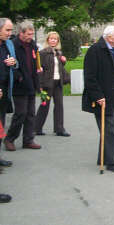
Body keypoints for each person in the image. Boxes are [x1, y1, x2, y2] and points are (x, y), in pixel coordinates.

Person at [82, 25, 114, 173]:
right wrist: (98, 96)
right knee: (109, 128)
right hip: (102, 98)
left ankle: (103, 155)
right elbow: (90, 77)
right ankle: (113, 162)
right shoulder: (95, 50)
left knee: (112, 128)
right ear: (109, 37)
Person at [3, 22, 41, 151]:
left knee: (31, 113)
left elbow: (36, 64)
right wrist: (19, 77)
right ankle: (10, 139)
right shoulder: (13, 44)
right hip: (19, 85)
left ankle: (28, 140)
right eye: (28, 34)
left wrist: (38, 84)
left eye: (32, 33)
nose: (31, 36)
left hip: (31, 83)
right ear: (21, 33)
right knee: (20, 113)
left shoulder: (33, 45)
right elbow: (13, 64)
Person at [34, 31, 70, 137]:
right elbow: (40, 70)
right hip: (47, 83)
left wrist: (63, 61)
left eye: (55, 39)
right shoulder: (43, 53)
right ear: (48, 40)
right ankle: (37, 128)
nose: (53, 41)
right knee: (45, 105)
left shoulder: (58, 53)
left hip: (58, 82)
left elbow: (59, 67)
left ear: (57, 41)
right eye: (51, 39)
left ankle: (59, 129)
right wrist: (40, 85)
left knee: (59, 105)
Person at [0, 17, 16, 204]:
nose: (9, 33)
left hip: (5, 93)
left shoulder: (7, 45)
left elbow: (16, 64)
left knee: (1, 127)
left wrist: (13, 63)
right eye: (7, 30)